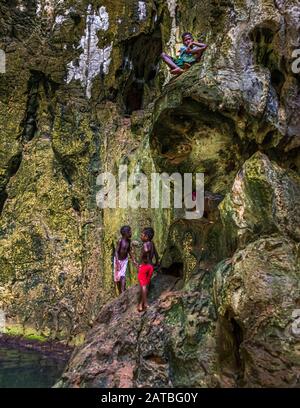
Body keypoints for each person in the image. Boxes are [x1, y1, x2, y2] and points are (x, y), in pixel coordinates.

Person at [136, 227, 160, 312]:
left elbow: (145, 252)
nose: (140, 236)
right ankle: (140, 305)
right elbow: (156, 255)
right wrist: (157, 263)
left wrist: (139, 264)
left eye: (142, 235)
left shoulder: (145, 244)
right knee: (146, 285)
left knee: (143, 285)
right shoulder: (152, 243)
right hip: (150, 266)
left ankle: (145, 303)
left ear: (146, 237)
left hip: (144, 266)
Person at [114, 225, 135, 295]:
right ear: (126, 233)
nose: (131, 233)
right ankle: (120, 291)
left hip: (124, 260)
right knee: (117, 278)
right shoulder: (120, 241)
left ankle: (122, 291)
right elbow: (116, 252)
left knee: (123, 275)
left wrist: (133, 260)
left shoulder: (129, 241)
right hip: (118, 260)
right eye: (130, 232)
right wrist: (117, 262)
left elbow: (129, 251)